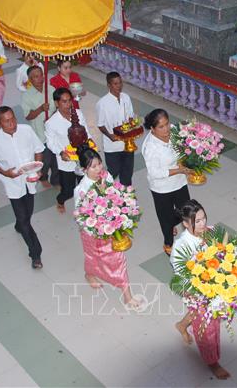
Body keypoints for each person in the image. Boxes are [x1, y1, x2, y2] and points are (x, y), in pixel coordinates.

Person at [73, 145, 143, 309]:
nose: (99, 169)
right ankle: (89, 274)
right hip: (93, 232)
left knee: (118, 260)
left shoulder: (107, 176)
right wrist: (97, 228)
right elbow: (80, 215)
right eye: (93, 167)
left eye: (99, 164)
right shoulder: (82, 189)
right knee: (92, 257)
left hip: (111, 229)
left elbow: (116, 196)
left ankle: (127, 296)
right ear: (84, 170)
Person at [170, 199, 230, 380]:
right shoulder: (181, 245)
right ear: (186, 223)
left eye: (204, 218)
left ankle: (182, 325)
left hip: (214, 285)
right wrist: (194, 291)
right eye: (197, 221)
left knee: (202, 315)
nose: (203, 224)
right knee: (207, 326)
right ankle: (212, 362)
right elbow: (180, 273)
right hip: (195, 290)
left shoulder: (210, 232)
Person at [0, 106, 45, 269]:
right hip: (12, 184)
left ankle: (19, 225)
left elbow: (39, 149)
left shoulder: (26, 131)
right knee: (25, 220)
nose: (12, 123)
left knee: (27, 214)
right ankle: (35, 254)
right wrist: (5, 172)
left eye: (13, 119)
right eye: (7, 121)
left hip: (30, 181)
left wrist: (38, 168)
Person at [141, 108, 192, 256]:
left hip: (179, 182)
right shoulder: (150, 147)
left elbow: (184, 147)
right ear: (152, 129)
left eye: (167, 124)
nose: (166, 129)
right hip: (161, 188)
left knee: (187, 211)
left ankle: (189, 238)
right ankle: (168, 243)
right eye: (161, 127)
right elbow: (155, 173)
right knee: (165, 218)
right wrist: (179, 170)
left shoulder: (174, 131)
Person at [45, 87, 90, 213]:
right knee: (68, 191)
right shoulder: (51, 123)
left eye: (69, 100)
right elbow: (50, 143)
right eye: (64, 101)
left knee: (84, 186)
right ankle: (60, 200)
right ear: (56, 103)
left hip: (82, 157)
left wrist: (91, 145)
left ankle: (84, 208)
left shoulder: (78, 114)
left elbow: (86, 132)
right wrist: (61, 153)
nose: (68, 104)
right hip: (66, 161)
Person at [95, 72, 135, 186]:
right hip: (112, 146)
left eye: (120, 82)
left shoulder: (126, 98)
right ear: (109, 85)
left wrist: (131, 126)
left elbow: (130, 116)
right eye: (115, 84)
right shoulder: (102, 103)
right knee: (113, 171)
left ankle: (126, 194)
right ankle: (101, 189)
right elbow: (100, 124)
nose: (119, 86)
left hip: (127, 143)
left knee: (127, 172)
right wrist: (110, 135)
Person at [21, 65, 58, 188]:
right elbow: (28, 116)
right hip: (40, 133)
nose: (40, 78)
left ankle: (56, 180)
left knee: (56, 157)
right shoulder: (26, 95)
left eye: (41, 75)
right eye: (35, 77)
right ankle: (43, 177)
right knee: (45, 159)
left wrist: (52, 117)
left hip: (53, 131)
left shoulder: (51, 89)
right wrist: (40, 109)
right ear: (30, 79)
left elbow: (56, 107)